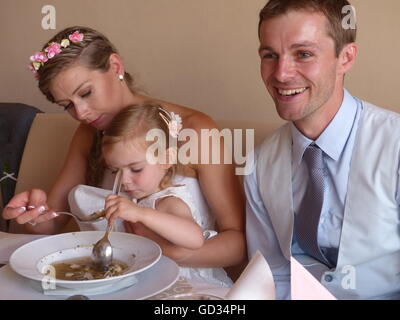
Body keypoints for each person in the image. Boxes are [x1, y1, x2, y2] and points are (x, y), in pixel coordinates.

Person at [2, 26, 245, 271]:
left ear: (116, 66)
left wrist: (166, 252)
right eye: (67, 105)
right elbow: (51, 225)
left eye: (86, 93)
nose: (81, 113)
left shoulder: (195, 130)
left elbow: (237, 245)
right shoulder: (89, 133)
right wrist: (34, 213)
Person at [246, 0, 400, 300]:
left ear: (346, 57)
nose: (281, 73)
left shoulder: (394, 145)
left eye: (303, 54)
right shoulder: (260, 162)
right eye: (270, 55)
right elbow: (272, 273)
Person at [100, 102, 232, 287]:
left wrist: (141, 214)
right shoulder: (138, 198)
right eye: (115, 171)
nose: (124, 180)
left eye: (136, 169)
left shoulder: (168, 200)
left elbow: (194, 239)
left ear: (166, 159)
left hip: (188, 285)